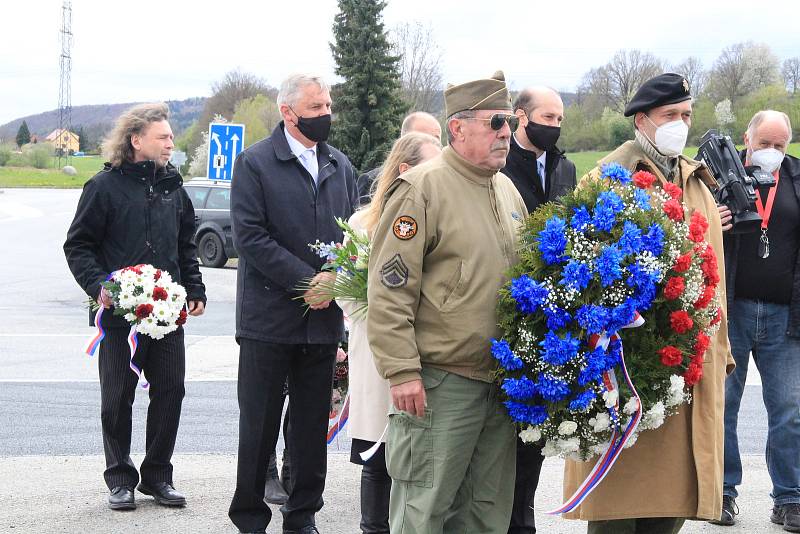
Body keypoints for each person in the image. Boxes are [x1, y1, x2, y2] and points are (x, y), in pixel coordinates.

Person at [562, 73, 733, 533]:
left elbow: (713, 276)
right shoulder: (609, 178)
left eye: (686, 115)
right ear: (642, 121)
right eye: (670, 116)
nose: (681, 124)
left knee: (669, 506)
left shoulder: (696, 180)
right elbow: (585, 274)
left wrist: (723, 351)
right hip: (632, 369)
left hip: (690, 365)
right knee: (619, 509)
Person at [367, 70, 528, 534]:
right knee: (425, 510)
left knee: (485, 513)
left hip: (499, 384)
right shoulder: (422, 188)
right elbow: (390, 290)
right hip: (440, 385)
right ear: (457, 128)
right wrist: (402, 372)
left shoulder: (506, 189)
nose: (506, 134)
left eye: (509, 123)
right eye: (496, 122)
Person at [227, 73, 358, 534]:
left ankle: (302, 516)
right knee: (259, 428)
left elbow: (350, 238)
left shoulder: (340, 165)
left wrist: (340, 280)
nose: (327, 114)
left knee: (308, 432)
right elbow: (252, 239)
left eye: (328, 106)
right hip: (268, 321)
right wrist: (309, 283)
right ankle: (249, 518)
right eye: (317, 107)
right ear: (288, 112)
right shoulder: (255, 163)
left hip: (322, 326)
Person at [63, 102, 206, 511]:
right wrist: (98, 285)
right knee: (116, 398)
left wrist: (194, 288)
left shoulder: (173, 189)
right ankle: (120, 479)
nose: (170, 144)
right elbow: (79, 245)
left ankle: (158, 476)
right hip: (119, 317)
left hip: (166, 315)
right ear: (136, 140)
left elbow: (186, 246)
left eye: (171, 137)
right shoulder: (103, 188)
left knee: (170, 393)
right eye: (162, 137)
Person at [341, 132, 442, 534]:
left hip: (429, 350)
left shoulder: (437, 216)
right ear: (405, 170)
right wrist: (389, 313)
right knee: (379, 452)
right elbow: (345, 293)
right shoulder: (362, 224)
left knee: (419, 454)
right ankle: (373, 528)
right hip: (377, 350)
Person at [711, 110, 800, 531]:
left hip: (786, 314)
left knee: (789, 409)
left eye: (780, 145)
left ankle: (790, 498)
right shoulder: (719, 175)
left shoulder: (796, 178)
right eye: (764, 143)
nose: (771, 153)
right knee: (723, 405)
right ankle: (723, 493)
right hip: (733, 309)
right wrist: (715, 216)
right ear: (747, 138)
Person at [501, 86, 577, 534]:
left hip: (549, 312)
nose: (554, 125)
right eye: (547, 116)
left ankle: (521, 518)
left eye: (560, 118)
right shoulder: (502, 164)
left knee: (534, 421)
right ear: (520, 116)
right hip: (509, 301)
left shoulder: (564, 166)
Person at [355, 111, 442, 206]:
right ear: (403, 140)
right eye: (421, 137)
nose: (432, 143)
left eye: (436, 138)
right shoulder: (371, 181)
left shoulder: (445, 181)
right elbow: (365, 218)